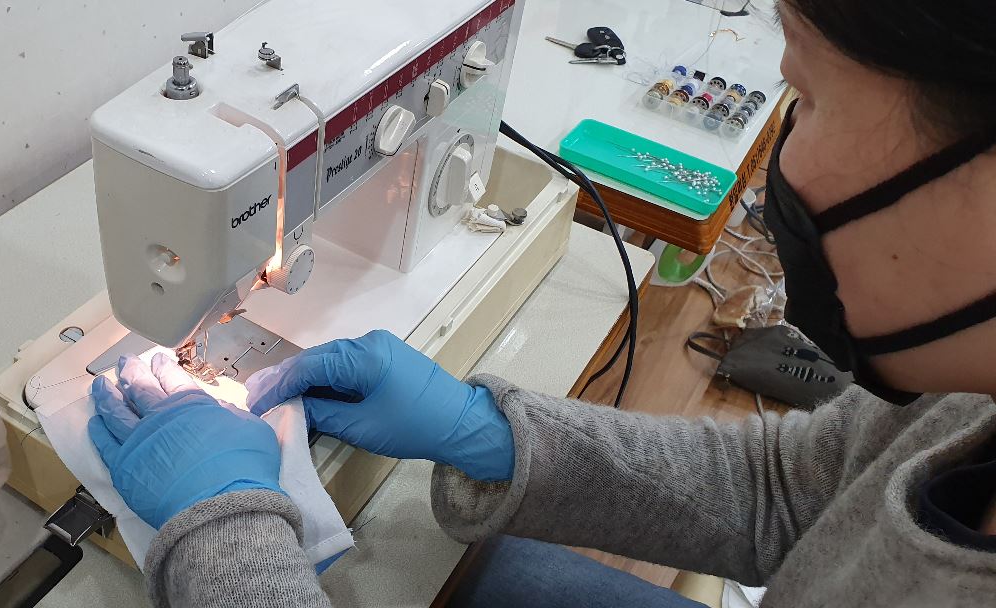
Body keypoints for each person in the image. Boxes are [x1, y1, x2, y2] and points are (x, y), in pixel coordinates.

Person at [87, 1, 996, 606]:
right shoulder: (966, 400)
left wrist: (227, 540)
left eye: (814, 98)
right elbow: (787, 494)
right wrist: (495, 434)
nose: (779, 161)